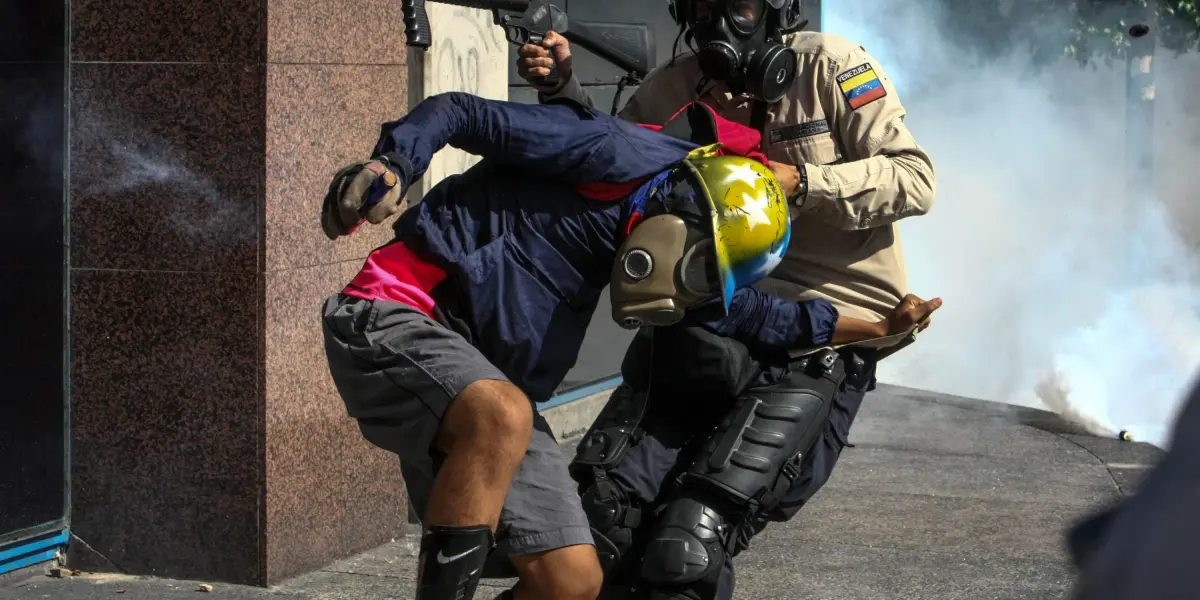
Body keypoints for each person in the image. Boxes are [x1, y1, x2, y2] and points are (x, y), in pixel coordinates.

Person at [318, 92, 919, 600]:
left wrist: (876, 327)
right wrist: (394, 164)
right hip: (397, 311)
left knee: (572, 580)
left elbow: (759, 317)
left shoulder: (684, 251)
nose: (688, 292)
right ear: (690, 217)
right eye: (701, 269)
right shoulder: (611, 151)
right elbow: (463, 113)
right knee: (502, 414)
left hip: (488, 385)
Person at [516, 1, 939, 598]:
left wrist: (805, 182)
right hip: (713, 320)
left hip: (822, 333)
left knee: (688, 543)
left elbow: (915, 179)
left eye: (738, 6)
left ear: (775, 9)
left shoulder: (832, 66)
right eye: (703, 6)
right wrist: (562, 88)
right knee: (599, 523)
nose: (720, 25)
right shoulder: (675, 86)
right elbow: (609, 161)